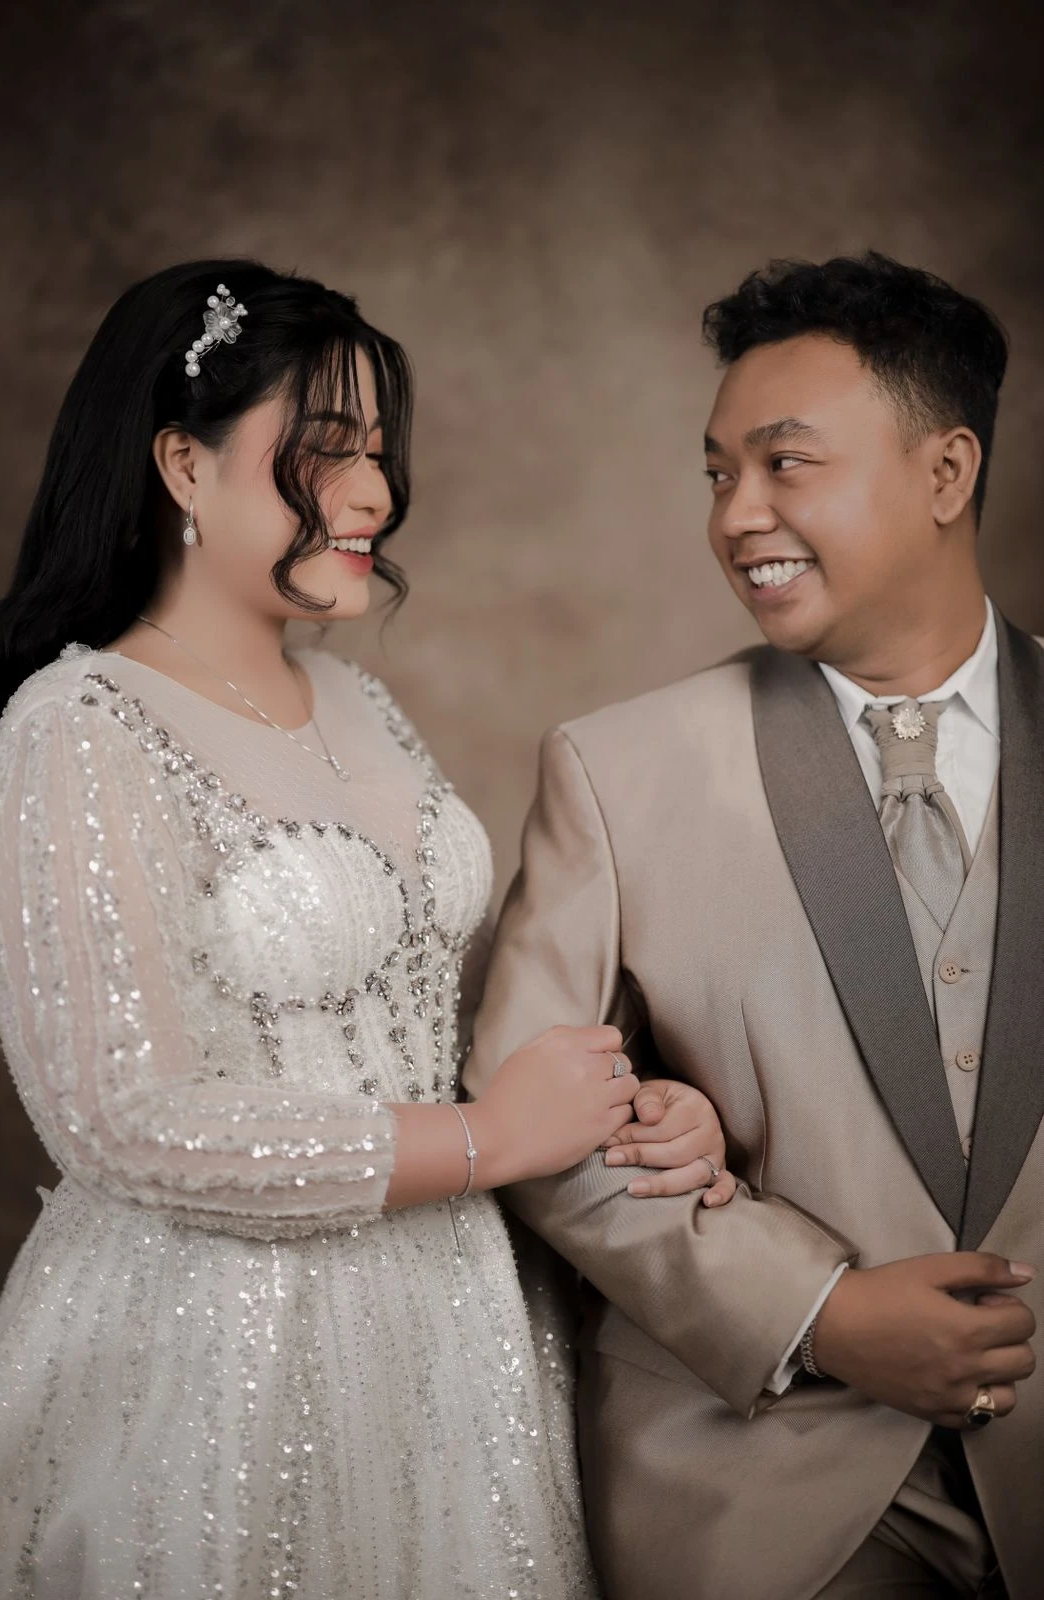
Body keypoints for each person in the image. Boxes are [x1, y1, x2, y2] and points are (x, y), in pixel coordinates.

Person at [0, 260, 736, 1600]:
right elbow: (120, 1121)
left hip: (453, 1330)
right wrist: (487, 1140)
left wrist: (619, 1104)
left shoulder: (357, 704)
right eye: (327, 449)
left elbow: (428, 1020)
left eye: (378, 452)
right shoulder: (79, 726)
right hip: (215, 1355)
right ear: (184, 465)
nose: (376, 493)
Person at [466, 251, 1043, 1599]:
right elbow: (526, 1117)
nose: (737, 516)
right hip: (763, 1493)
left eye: (785, 464)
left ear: (946, 472)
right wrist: (818, 1313)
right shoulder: (615, 771)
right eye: (717, 474)